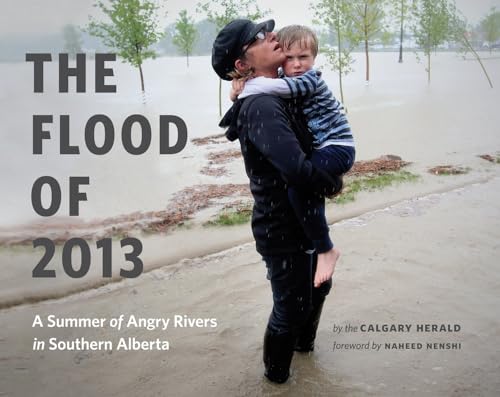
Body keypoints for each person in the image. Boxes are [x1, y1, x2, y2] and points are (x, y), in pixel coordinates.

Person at [212, 19, 342, 384]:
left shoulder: (275, 91)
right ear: (242, 63)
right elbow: (297, 171)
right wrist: (333, 182)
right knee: (290, 308)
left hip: (301, 217)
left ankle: (306, 354)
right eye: (258, 36)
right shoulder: (261, 107)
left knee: (318, 287)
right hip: (281, 226)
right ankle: (277, 382)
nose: (271, 36)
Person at [230, 25, 355, 289]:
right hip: (282, 229)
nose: (297, 65)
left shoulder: (309, 80)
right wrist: (238, 90)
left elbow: (276, 89)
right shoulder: (265, 99)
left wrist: (244, 87)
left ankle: (325, 248)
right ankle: (323, 247)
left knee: (300, 190)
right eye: (290, 58)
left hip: (337, 145)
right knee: (303, 302)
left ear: (314, 59)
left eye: (304, 57)